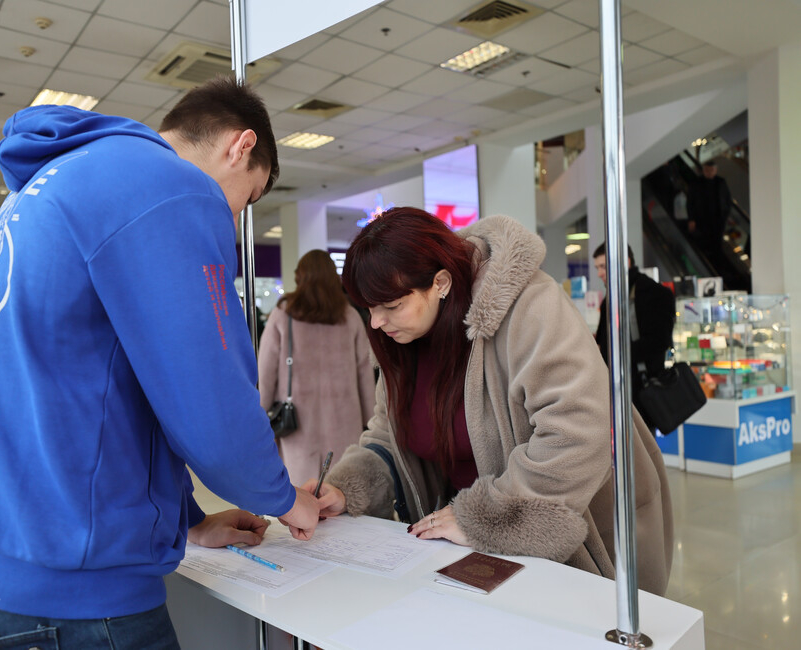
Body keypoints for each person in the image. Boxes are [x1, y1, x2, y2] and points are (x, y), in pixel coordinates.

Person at [0, 77, 320, 649]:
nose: (235, 213)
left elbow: (98, 380)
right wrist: (288, 501)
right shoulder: (173, 187)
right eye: (250, 195)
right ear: (240, 147)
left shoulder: (62, 178)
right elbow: (210, 397)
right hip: (76, 591)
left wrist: (190, 519)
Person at [307, 209, 673, 596]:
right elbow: (389, 435)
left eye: (392, 306)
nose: (376, 322)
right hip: (467, 553)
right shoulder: (401, 339)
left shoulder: (529, 306)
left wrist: (486, 517)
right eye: (368, 309)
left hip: (581, 537)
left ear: (441, 283)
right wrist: (347, 488)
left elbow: (580, 429)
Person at [258, 249, 376, 485]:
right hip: (345, 419)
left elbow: (266, 371)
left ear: (300, 277)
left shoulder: (283, 315)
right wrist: (370, 420)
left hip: (297, 422)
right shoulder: (349, 316)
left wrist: (261, 417)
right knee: (342, 491)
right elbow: (365, 371)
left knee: (301, 492)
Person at [592, 243, 677, 431]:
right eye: (597, 267)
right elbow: (602, 341)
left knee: (644, 454)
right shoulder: (611, 298)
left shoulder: (655, 294)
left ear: (625, 262)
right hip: (615, 391)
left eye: (603, 266)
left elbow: (659, 341)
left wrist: (614, 353)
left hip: (642, 394)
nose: (599, 273)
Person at [686, 160, 732, 258]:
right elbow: (690, 202)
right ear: (703, 170)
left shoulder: (720, 182)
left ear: (715, 170)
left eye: (711, 170)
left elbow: (728, 200)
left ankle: (717, 261)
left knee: (717, 243)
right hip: (701, 219)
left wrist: (725, 215)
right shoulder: (696, 183)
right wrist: (691, 219)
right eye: (707, 170)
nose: (709, 172)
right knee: (703, 242)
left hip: (718, 219)